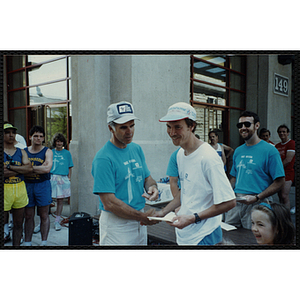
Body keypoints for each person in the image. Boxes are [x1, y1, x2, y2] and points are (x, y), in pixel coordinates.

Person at [154, 102, 236, 245]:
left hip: (205, 235)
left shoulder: (208, 157)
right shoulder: (180, 154)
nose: (172, 133)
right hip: (185, 233)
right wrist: (163, 212)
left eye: (178, 127)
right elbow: (186, 191)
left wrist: (193, 218)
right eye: (169, 127)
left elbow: (229, 202)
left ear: (191, 126)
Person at [91, 101, 159, 246]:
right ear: (111, 128)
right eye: (123, 127)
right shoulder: (103, 158)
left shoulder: (136, 149)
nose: (129, 131)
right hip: (117, 224)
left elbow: (147, 178)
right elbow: (109, 203)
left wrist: (152, 188)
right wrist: (142, 216)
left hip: (139, 221)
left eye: (132, 125)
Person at [225, 111, 285, 229]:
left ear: (257, 125)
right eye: (240, 125)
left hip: (258, 203)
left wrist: (258, 197)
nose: (243, 128)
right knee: (228, 236)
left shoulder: (270, 151)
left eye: (247, 124)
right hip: (236, 202)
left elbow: (280, 182)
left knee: (253, 239)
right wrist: (226, 191)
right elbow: (234, 178)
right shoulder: (238, 151)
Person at [3, 123, 33, 246]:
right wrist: (20, 168)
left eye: (13, 132)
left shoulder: (21, 151)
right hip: (5, 189)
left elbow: (29, 169)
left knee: (18, 223)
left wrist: (9, 167)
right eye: (7, 132)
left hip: (20, 189)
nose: (11, 135)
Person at [24, 125, 53, 246]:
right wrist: (39, 168)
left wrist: (28, 168)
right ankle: (27, 242)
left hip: (43, 185)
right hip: (28, 185)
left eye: (41, 136)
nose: (38, 138)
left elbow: (47, 169)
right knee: (29, 216)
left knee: (44, 215)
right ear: (30, 137)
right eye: (35, 136)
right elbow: (21, 170)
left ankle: (44, 242)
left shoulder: (48, 151)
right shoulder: (24, 151)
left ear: (43, 138)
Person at [50, 133, 73, 231]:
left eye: (61, 141)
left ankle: (57, 221)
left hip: (63, 178)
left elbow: (70, 166)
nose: (59, 143)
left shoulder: (67, 153)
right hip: (52, 177)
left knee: (60, 200)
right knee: (47, 200)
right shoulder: (50, 152)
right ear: (55, 142)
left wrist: (69, 178)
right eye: (57, 141)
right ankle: (44, 220)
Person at [275, 124, 295, 211]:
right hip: (279, 173)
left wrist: (277, 168)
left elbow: (288, 159)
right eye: (280, 132)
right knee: (280, 196)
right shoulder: (277, 146)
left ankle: (287, 216)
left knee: (284, 195)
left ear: (288, 133)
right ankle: (282, 214)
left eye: (284, 132)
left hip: (287, 172)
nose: (282, 133)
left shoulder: (291, 143)